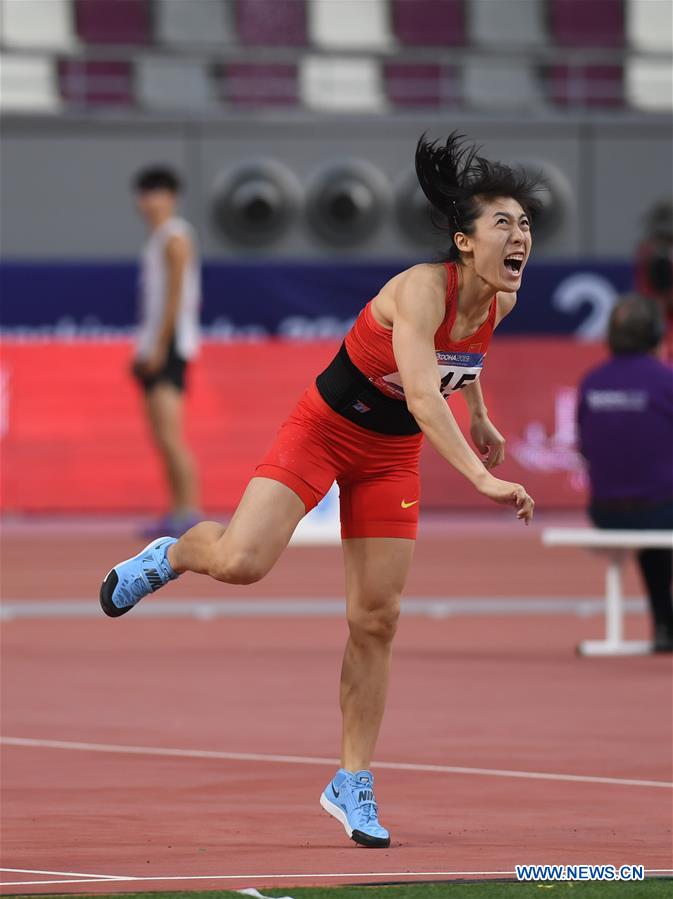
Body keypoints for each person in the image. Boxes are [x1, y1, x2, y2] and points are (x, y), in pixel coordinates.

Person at [101, 134, 538, 848]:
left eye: (524, 224)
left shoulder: (503, 300)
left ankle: (351, 779)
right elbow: (426, 397)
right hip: (324, 430)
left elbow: (464, 361)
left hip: (389, 458)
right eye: (503, 224)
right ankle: (175, 554)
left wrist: (483, 415)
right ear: (463, 241)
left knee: (377, 618)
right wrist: (482, 475)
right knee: (242, 562)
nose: (519, 235)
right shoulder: (419, 289)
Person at [577, 294, 673, 652]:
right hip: (660, 511)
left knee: (653, 519)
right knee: (657, 516)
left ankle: (665, 624)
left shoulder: (591, 382)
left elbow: (586, 449)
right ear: (656, 335)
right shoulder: (666, 381)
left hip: (605, 512)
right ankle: (664, 623)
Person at [131, 166, 201, 537]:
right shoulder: (156, 240)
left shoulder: (175, 237)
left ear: (172, 197)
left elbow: (175, 296)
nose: (148, 201)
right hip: (155, 343)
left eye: (156, 192)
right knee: (161, 433)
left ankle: (188, 511)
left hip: (170, 344)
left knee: (171, 433)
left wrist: (159, 347)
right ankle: (177, 509)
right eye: (144, 193)